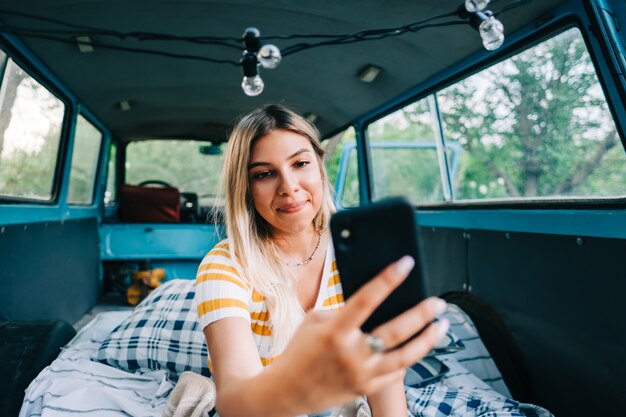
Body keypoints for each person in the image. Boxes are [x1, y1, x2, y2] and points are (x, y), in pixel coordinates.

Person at [194, 104, 449, 417]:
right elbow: (234, 399)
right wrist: (298, 390)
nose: (289, 187)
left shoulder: (359, 253)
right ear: (245, 188)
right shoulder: (225, 265)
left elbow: (383, 368)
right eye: (264, 174)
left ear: (319, 166)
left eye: (300, 163)